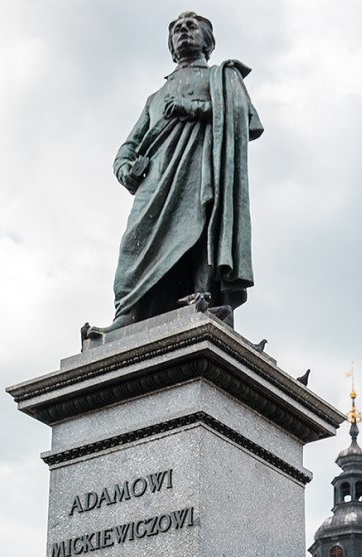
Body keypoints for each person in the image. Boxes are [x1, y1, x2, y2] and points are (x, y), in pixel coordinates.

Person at [98, 12, 262, 332]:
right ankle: (127, 313)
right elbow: (128, 145)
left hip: (201, 168)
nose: (183, 33)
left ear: (207, 42)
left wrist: (193, 109)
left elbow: (247, 121)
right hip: (156, 180)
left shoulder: (221, 77)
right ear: (171, 46)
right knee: (134, 242)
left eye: (191, 28)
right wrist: (125, 168)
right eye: (177, 31)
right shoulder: (154, 99)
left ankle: (204, 300)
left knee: (201, 231)